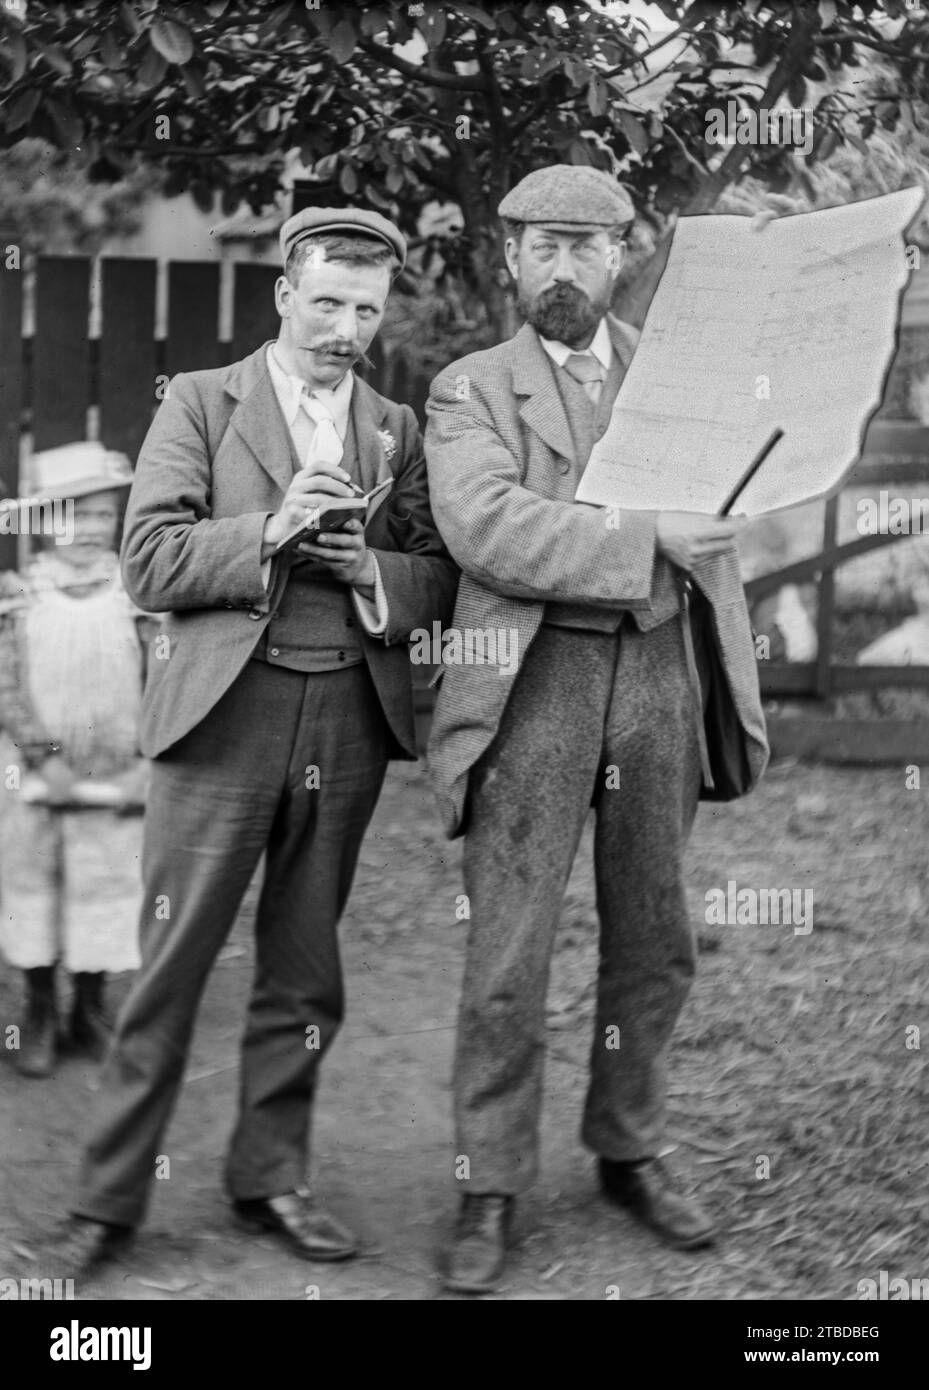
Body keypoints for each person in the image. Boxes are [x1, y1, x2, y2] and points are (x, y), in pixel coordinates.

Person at [55, 206, 457, 1273]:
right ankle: (108, 1199)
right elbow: (148, 560)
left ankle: (268, 1177)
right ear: (284, 294)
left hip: (347, 720)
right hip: (219, 721)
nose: (345, 328)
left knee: (305, 968)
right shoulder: (197, 401)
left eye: (365, 310)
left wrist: (369, 571)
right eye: (326, 301)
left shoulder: (396, 428)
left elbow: (435, 577)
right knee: (171, 964)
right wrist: (273, 531)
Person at [424, 165, 769, 1294]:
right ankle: (488, 1182)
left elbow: (723, 510)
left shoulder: (677, 382)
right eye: (539, 246)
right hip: (534, 682)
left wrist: (725, 502)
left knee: (655, 932)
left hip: (661, 672)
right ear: (508, 259)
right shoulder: (468, 390)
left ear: (625, 253)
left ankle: (629, 1145)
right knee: (508, 950)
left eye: (585, 245)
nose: (562, 266)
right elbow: (486, 526)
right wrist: (648, 533)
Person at [0, 443, 149, 1078]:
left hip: (116, 772)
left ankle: (88, 1008)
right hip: (39, 771)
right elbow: (7, 681)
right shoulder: (20, 595)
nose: (87, 530)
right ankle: (37, 1007)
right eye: (72, 516)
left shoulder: (135, 592)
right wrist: (44, 757)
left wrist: (146, 759)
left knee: (104, 885)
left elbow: (159, 677)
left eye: (101, 517)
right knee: (36, 884)